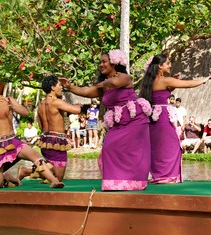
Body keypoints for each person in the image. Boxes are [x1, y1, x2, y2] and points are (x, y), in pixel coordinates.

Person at [60, 49, 151, 190]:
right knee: (108, 147)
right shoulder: (103, 84)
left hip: (135, 119)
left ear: (114, 63)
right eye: (100, 62)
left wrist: (102, 84)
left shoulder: (124, 77)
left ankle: (135, 182)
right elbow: (86, 92)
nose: (101, 65)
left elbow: (115, 83)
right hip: (118, 122)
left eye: (104, 62)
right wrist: (70, 87)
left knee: (130, 151)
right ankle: (115, 182)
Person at [0, 73, 64, 188]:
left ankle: (54, 181)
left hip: (12, 142)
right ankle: (7, 177)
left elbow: (25, 112)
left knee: (34, 155)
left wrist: (13, 107)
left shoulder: (8, 100)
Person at [139, 54, 211, 183]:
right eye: (167, 63)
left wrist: (172, 82)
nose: (170, 65)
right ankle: (167, 176)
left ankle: (159, 175)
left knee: (158, 147)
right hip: (162, 118)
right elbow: (187, 84)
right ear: (160, 66)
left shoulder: (150, 81)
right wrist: (203, 80)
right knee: (172, 146)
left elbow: (160, 92)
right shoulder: (164, 80)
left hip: (153, 118)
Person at [33, 75, 84, 181]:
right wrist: (79, 105)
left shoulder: (41, 104)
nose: (62, 88)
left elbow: (40, 124)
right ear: (52, 87)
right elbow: (76, 110)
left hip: (45, 141)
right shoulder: (56, 102)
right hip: (56, 143)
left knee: (53, 173)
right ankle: (26, 171)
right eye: (59, 85)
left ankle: (28, 171)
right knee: (59, 177)